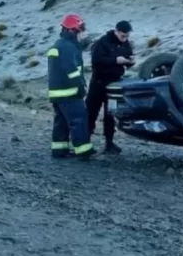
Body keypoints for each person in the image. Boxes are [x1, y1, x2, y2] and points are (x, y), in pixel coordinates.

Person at [47, 13, 94, 159]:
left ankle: (59, 150)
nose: (80, 34)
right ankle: (83, 151)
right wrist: (80, 86)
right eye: (79, 31)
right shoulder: (68, 47)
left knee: (61, 122)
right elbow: (72, 70)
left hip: (56, 93)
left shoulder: (58, 45)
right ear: (72, 30)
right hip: (70, 93)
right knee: (78, 120)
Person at [86, 20, 135, 154]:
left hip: (115, 84)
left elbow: (128, 58)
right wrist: (115, 60)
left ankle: (109, 143)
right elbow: (96, 62)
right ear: (116, 31)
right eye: (123, 36)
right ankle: (84, 143)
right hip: (98, 82)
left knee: (110, 114)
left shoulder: (126, 44)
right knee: (91, 112)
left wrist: (130, 61)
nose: (125, 39)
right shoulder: (102, 42)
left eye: (127, 36)